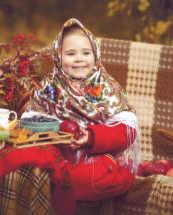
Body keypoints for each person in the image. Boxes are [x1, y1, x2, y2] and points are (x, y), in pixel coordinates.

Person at [22, 17, 140, 209]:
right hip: (60, 155)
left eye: (86, 53)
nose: (79, 59)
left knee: (83, 179)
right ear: (58, 56)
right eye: (70, 53)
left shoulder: (106, 87)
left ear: (96, 55)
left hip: (99, 157)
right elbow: (30, 122)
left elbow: (127, 131)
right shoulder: (49, 87)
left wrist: (91, 137)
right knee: (37, 171)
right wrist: (57, 133)